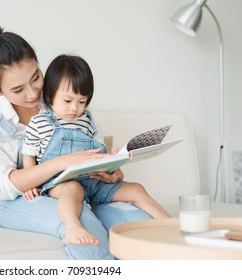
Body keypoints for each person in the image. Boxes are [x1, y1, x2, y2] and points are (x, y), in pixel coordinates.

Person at [0, 25, 151, 260]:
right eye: (17, 89)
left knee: (141, 224)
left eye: (36, 77)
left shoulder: (58, 93)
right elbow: (2, 183)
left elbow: (89, 146)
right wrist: (61, 163)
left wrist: (111, 172)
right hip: (21, 199)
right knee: (84, 228)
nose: (33, 92)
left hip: (79, 189)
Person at [21, 54, 170, 246]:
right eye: (67, 101)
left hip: (93, 182)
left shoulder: (88, 120)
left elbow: (98, 150)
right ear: (49, 96)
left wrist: (113, 162)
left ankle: (170, 225)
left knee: (136, 189)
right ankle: (72, 226)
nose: (75, 108)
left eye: (82, 101)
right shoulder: (39, 122)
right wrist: (31, 185)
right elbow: (29, 156)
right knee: (73, 189)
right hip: (60, 184)